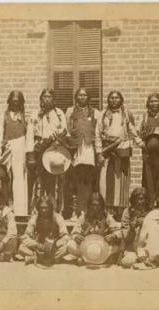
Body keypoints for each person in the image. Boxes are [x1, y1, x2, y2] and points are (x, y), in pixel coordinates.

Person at [95, 90, 144, 218]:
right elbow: (98, 134)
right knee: (106, 183)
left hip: (122, 152)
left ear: (121, 100)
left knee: (122, 183)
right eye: (111, 98)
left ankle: (121, 214)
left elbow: (132, 131)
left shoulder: (126, 114)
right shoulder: (103, 115)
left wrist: (141, 144)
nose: (114, 100)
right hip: (108, 152)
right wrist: (99, 153)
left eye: (117, 98)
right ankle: (108, 213)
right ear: (108, 100)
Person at [0, 90, 32, 216]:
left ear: (21, 103)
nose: (15, 104)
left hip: (20, 147)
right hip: (7, 147)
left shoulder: (26, 116)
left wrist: (29, 152)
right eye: (13, 101)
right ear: (9, 102)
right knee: (5, 179)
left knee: (19, 178)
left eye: (18, 102)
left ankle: (19, 210)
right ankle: (4, 208)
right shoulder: (4, 115)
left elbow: (29, 135)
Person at [65, 88, 100, 218]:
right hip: (76, 148)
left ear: (88, 97)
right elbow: (67, 129)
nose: (82, 97)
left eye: (85, 95)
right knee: (75, 179)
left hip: (89, 148)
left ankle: (88, 211)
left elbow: (98, 130)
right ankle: (76, 211)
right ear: (76, 97)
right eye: (80, 95)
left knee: (89, 178)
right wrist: (70, 144)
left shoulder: (95, 112)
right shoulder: (70, 111)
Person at [31, 88, 68, 212]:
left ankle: (55, 210)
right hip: (40, 150)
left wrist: (57, 140)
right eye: (44, 97)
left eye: (49, 97)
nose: (47, 99)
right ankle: (39, 210)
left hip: (54, 150)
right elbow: (30, 134)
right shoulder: (35, 114)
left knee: (55, 182)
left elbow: (64, 130)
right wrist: (31, 152)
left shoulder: (59, 113)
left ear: (53, 99)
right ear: (41, 99)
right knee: (40, 182)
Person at [120, 188, 159, 269]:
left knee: (153, 224)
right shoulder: (127, 212)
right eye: (137, 199)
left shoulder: (151, 213)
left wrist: (145, 222)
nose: (139, 202)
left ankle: (150, 258)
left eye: (142, 199)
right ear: (133, 200)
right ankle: (145, 260)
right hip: (134, 247)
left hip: (149, 246)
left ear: (146, 200)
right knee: (127, 261)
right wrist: (132, 228)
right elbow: (126, 238)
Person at [67, 192, 122, 265]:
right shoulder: (84, 217)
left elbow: (118, 231)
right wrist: (76, 236)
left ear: (101, 206)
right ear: (89, 205)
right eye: (92, 205)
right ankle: (90, 258)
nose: (95, 208)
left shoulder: (107, 217)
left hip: (103, 248)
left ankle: (84, 259)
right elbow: (74, 232)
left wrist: (114, 235)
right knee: (70, 245)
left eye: (97, 205)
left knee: (117, 248)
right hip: (86, 247)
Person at [18, 195, 69, 266]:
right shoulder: (35, 218)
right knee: (21, 248)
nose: (43, 210)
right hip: (38, 247)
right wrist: (36, 244)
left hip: (53, 248)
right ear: (38, 208)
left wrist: (55, 245)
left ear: (50, 208)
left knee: (66, 248)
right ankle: (49, 259)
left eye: (46, 208)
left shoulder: (58, 217)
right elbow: (26, 235)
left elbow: (65, 236)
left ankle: (34, 258)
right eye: (41, 208)